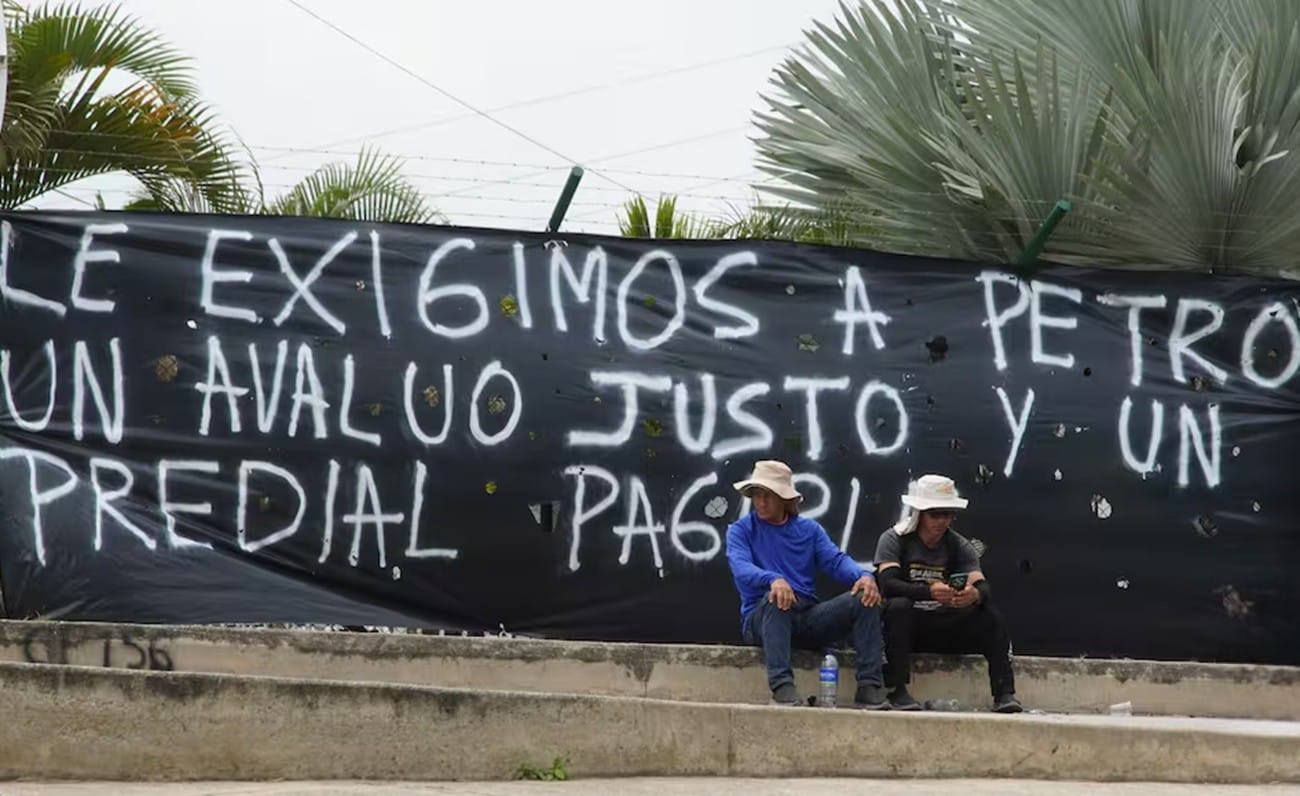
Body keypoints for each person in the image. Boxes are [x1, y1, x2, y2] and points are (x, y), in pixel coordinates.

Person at [725, 459, 888, 708]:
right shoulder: (740, 530)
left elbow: (835, 561)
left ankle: (870, 686)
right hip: (762, 618)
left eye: (767, 495)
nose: (760, 502)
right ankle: (782, 687)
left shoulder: (809, 530)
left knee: (863, 596)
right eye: (756, 495)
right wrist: (773, 580)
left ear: (784, 498)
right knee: (776, 600)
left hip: (807, 616)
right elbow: (742, 569)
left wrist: (863, 577)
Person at [873, 474, 1022, 713]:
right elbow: (888, 584)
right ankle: (897, 690)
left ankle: (1004, 693)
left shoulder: (958, 545)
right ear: (920, 514)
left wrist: (974, 596)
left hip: (945, 621)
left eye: (948, 515)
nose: (941, 521)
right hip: (906, 627)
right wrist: (928, 592)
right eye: (935, 514)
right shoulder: (894, 539)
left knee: (991, 617)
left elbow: (982, 585)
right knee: (897, 607)